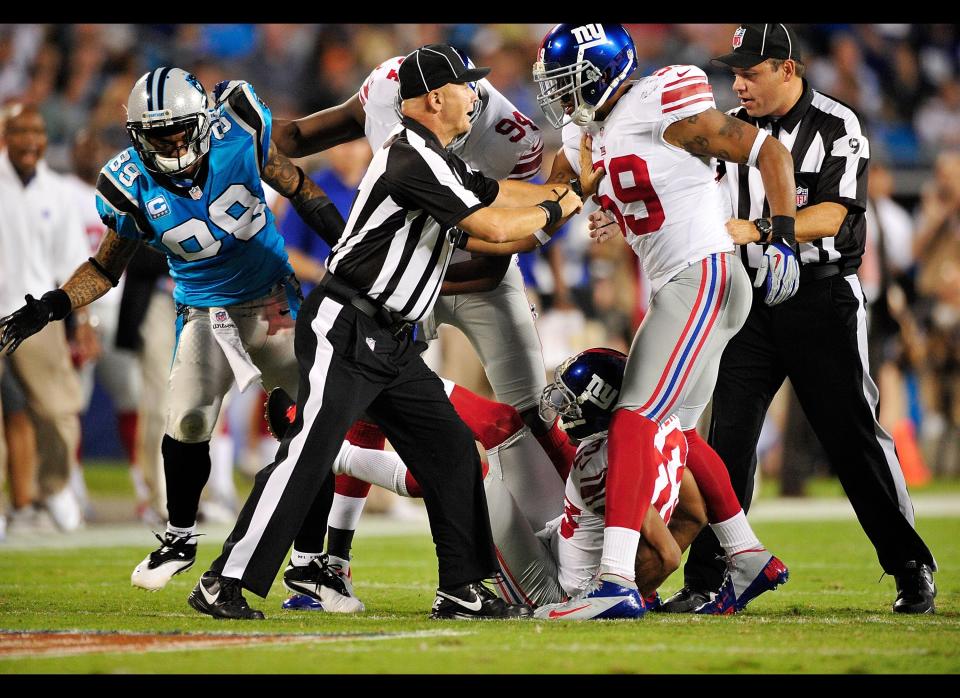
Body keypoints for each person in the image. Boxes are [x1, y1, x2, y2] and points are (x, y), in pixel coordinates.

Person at [185, 44, 581, 620]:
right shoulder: (411, 158)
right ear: (435, 98)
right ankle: (226, 578)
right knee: (309, 454)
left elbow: (501, 195)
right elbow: (493, 222)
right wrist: (556, 207)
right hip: (347, 325)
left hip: (390, 338)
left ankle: (462, 588)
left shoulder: (436, 156)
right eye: (467, 87)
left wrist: (569, 192)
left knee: (450, 452)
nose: (476, 96)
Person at [0, 68, 343, 600]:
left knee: (314, 424)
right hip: (205, 310)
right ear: (138, 135)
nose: (174, 142)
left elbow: (298, 184)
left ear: (203, 121)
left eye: (181, 129)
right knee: (185, 419)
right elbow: (105, 267)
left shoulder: (241, 134)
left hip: (274, 299)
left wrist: (341, 246)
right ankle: (179, 539)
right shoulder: (128, 182)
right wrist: (52, 305)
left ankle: (310, 559)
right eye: (160, 134)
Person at [528, 23, 799, 619]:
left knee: (633, 419)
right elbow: (579, 188)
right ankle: (747, 555)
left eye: (567, 80)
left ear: (603, 70)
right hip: (685, 281)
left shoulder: (658, 99)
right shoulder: (588, 132)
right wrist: (595, 209)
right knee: (674, 430)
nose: (559, 94)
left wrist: (782, 236)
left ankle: (615, 581)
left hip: (699, 273)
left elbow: (766, 151)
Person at [673, 23, 937, 615]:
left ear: (787, 69)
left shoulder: (836, 124)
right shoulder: (727, 128)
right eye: (734, 73)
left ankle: (908, 564)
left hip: (820, 298)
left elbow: (836, 213)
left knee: (852, 438)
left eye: (751, 72)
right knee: (729, 441)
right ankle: (712, 576)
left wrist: (761, 228)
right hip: (748, 301)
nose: (738, 84)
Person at [266, 349, 704, 616]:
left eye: (572, 403)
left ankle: (335, 447)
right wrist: (634, 583)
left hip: (552, 588)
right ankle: (383, 394)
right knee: (503, 425)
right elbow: (694, 516)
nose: (563, 410)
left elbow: (666, 554)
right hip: (562, 538)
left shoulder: (600, 462)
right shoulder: (666, 431)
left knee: (462, 472)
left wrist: (611, 596)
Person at [0, 103, 93, 532]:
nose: (32, 139)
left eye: (37, 130)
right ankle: (11, 508)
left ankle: (53, 487)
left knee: (59, 413)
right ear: (6, 136)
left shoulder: (58, 192)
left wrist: (86, 322)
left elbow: (75, 265)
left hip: (35, 318)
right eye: (21, 131)